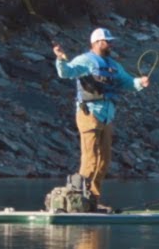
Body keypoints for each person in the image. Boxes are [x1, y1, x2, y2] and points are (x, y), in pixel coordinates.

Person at [53, 27, 150, 209]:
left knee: (104, 160)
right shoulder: (85, 60)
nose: (111, 44)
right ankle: (79, 199)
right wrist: (60, 58)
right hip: (89, 113)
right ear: (97, 42)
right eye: (108, 41)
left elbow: (127, 82)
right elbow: (66, 72)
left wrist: (140, 83)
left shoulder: (114, 65)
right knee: (90, 159)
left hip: (107, 117)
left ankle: (93, 200)